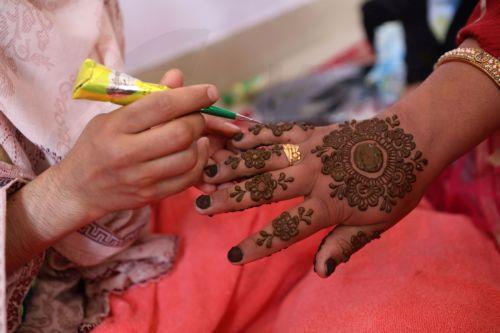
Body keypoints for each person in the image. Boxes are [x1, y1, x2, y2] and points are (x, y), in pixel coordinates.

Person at [2, 1, 499, 333]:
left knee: (431, 280)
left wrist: (413, 131)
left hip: (151, 225)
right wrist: (58, 199)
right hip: (65, 290)